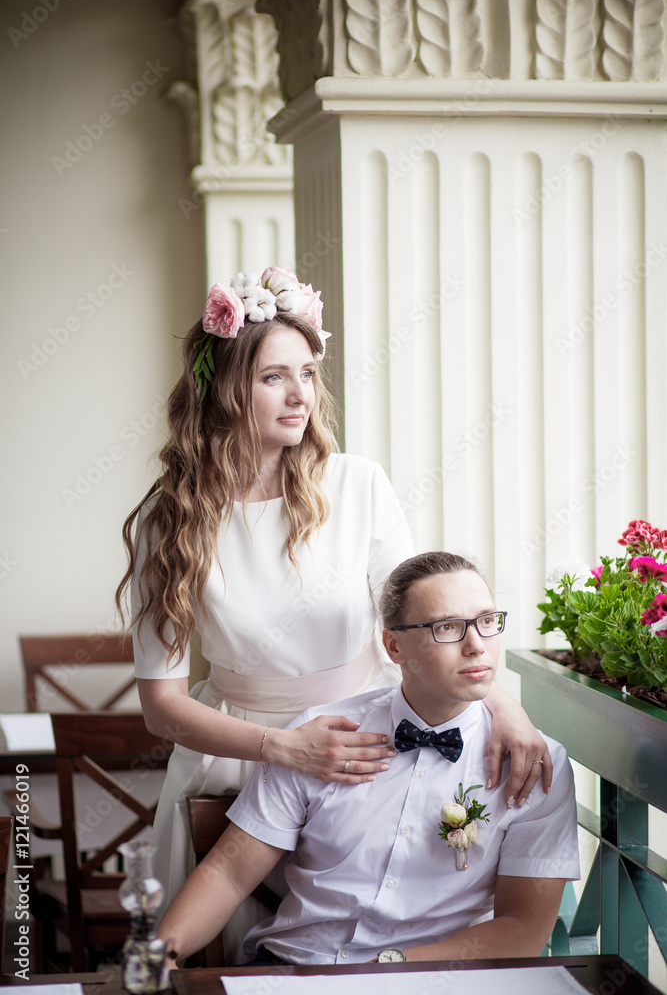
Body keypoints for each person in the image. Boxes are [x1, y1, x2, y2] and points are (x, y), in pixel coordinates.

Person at [116, 268, 552, 936]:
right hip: (241, 755)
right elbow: (161, 706)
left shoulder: (358, 486)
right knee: (239, 942)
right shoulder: (167, 520)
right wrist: (284, 749)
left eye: (308, 373)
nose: (301, 395)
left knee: (374, 924)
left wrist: (509, 712)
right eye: (273, 377)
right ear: (223, 389)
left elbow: (427, 628)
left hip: (368, 743)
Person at [158, 551, 580, 968]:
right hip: (297, 970)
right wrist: (161, 955)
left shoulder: (535, 765)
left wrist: (391, 966)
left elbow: (522, 929)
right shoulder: (321, 738)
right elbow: (229, 875)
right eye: (447, 627)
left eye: (487, 621)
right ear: (394, 646)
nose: (476, 646)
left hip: (432, 979)